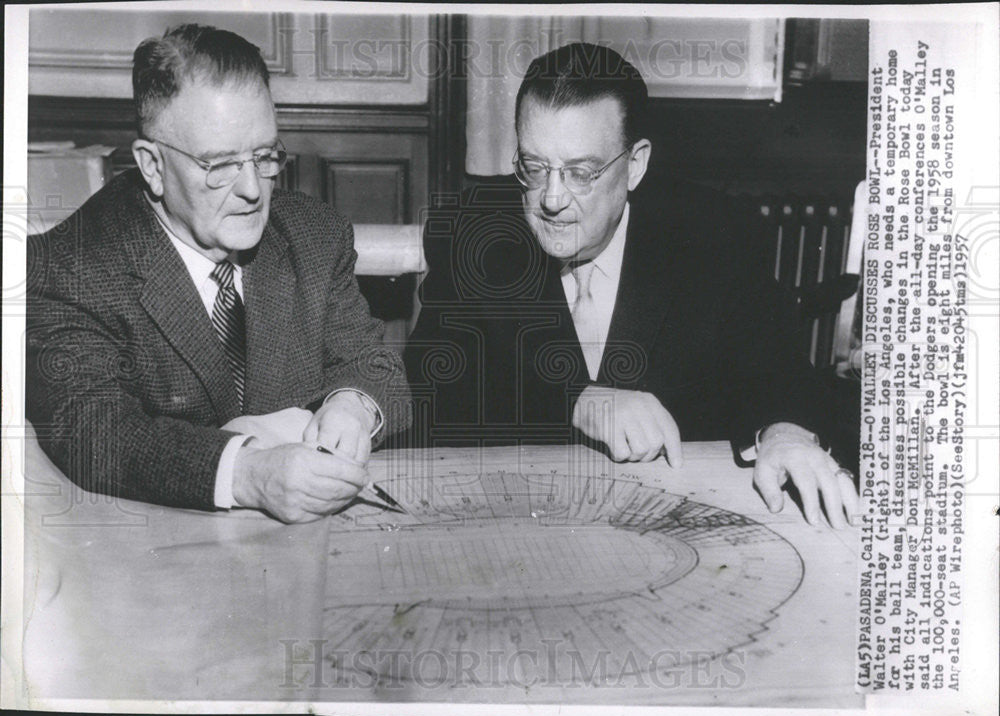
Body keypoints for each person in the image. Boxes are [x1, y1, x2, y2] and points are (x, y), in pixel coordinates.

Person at [404, 43, 859, 528]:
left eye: (581, 172)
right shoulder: (477, 226)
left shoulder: (713, 230)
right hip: (516, 522)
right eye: (534, 168)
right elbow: (427, 391)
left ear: (635, 165)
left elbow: (776, 364)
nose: (551, 199)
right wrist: (576, 398)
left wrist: (785, 432)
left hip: (667, 523)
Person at [26, 25, 411, 524]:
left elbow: (376, 367)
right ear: (152, 166)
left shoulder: (315, 236)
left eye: (265, 156)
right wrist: (248, 473)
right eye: (220, 164)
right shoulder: (69, 266)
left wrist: (353, 407)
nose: (253, 189)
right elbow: (93, 430)